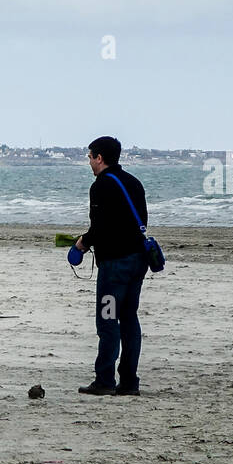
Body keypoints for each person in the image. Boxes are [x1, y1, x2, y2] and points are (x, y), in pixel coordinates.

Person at [74, 136, 148, 396]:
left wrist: (82, 243)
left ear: (100, 158)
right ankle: (129, 382)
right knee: (129, 319)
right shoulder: (134, 183)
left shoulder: (101, 186)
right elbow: (141, 221)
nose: (89, 162)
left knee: (108, 320)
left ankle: (104, 380)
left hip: (115, 266)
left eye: (90, 157)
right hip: (138, 261)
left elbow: (100, 228)